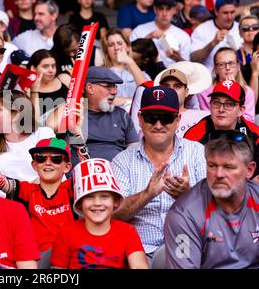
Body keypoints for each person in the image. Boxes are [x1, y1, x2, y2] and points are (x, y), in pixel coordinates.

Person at [111, 86, 206, 265]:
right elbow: (113, 213)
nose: (158, 125)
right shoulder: (122, 161)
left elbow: (215, 210)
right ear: (139, 119)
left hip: (184, 244)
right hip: (138, 249)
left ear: (178, 120)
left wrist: (188, 196)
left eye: (166, 118)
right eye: (151, 117)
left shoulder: (197, 152)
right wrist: (147, 194)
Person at [0, 136, 87, 266]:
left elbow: (88, 172)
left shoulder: (71, 188)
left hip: (71, 255)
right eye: (41, 158)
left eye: (56, 159)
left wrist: (77, 135)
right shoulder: (26, 191)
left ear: (67, 167)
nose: (48, 163)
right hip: (38, 260)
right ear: (34, 165)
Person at [165, 131, 259, 269]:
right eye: (212, 166)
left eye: (228, 167)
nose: (219, 174)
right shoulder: (183, 215)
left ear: (249, 170)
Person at [51, 158, 148, 269]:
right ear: (79, 204)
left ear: (115, 201)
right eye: (89, 197)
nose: (97, 203)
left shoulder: (128, 232)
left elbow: (139, 266)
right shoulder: (66, 232)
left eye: (104, 197)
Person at [0, 90, 56, 198]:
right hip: (1, 208)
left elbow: (54, 174)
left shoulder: (42, 134)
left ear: (17, 113)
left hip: (40, 202)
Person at [184, 79, 259, 179]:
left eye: (229, 104)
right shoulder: (194, 135)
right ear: (210, 106)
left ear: (241, 110)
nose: (221, 109)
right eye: (216, 103)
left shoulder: (255, 134)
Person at [69, 66, 139, 165]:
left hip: (116, 174)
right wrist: (74, 96)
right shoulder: (74, 114)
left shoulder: (122, 115)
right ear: (90, 88)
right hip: (82, 173)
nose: (114, 92)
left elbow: (134, 150)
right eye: (108, 86)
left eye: (115, 87)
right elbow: (47, 127)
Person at [130, 0, 191, 67]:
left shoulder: (183, 36)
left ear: (174, 10)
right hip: (144, 75)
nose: (164, 13)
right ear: (155, 9)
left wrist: (177, 58)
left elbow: (188, 67)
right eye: (161, 8)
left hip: (171, 76)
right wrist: (148, 38)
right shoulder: (139, 30)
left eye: (168, 9)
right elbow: (129, 57)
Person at [152, 62, 212, 136]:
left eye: (177, 86)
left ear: (187, 91)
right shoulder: (150, 118)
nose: (171, 91)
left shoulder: (205, 117)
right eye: (166, 86)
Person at [197, 47, 256, 122]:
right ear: (215, 69)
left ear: (238, 66)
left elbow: (249, 121)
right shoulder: (204, 92)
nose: (227, 68)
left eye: (231, 63)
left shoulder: (248, 92)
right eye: (221, 64)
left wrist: (234, 91)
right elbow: (207, 119)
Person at [190, 0, 243, 71]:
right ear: (216, 11)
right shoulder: (201, 29)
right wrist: (213, 43)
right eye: (225, 13)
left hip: (236, 78)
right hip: (209, 79)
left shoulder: (242, 28)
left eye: (232, 12)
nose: (229, 17)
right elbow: (193, 59)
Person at [102, 28, 148, 110]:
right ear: (107, 50)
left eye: (119, 43)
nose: (116, 48)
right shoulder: (101, 73)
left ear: (127, 47)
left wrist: (129, 61)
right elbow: (102, 102)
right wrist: (134, 101)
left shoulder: (140, 73)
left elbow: (148, 95)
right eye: (111, 45)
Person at [27, 49, 70, 120]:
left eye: (53, 66)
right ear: (33, 68)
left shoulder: (64, 78)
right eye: (45, 66)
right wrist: (34, 91)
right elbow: (34, 121)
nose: (51, 70)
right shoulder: (28, 90)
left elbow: (80, 101)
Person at [237, 15, 259, 84]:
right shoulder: (235, 55)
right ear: (240, 33)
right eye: (245, 28)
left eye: (255, 27)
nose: (250, 30)